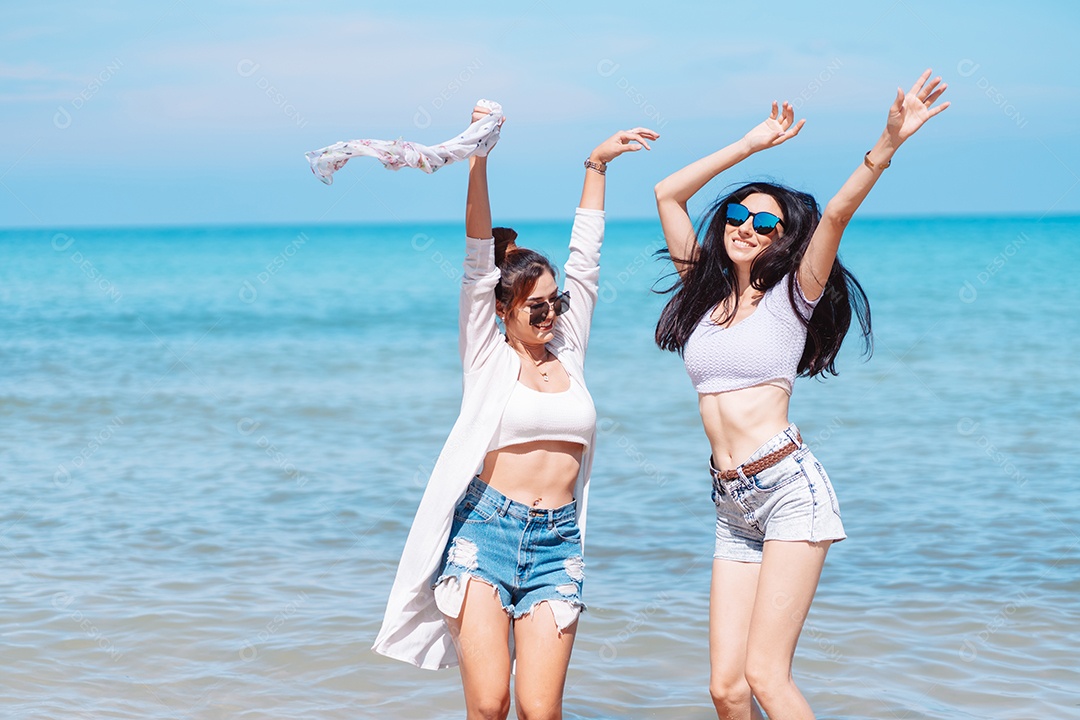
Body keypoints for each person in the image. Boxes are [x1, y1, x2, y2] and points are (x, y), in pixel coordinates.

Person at [653, 70, 948, 719]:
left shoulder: (794, 297)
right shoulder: (703, 292)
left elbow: (838, 212)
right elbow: (667, 194)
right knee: (726, 690)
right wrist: (750, 147)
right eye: (738, 213)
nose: (746, 226)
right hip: (732, 504)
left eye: (765, 221)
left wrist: (887, 143)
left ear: (783, 238)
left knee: (765, 675)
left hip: (788, 489)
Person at [373, 104, 658, 720]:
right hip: (485, 534)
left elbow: (587, 260)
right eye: (535, 308)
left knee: (540, 710)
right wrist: (479, 155)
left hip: (558, 541)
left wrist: (598, 164)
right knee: (491, 704)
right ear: (504, 310)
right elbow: (479, 254)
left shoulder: (570, 351)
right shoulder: (487, 355)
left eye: (554, 304)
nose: (550, 315)